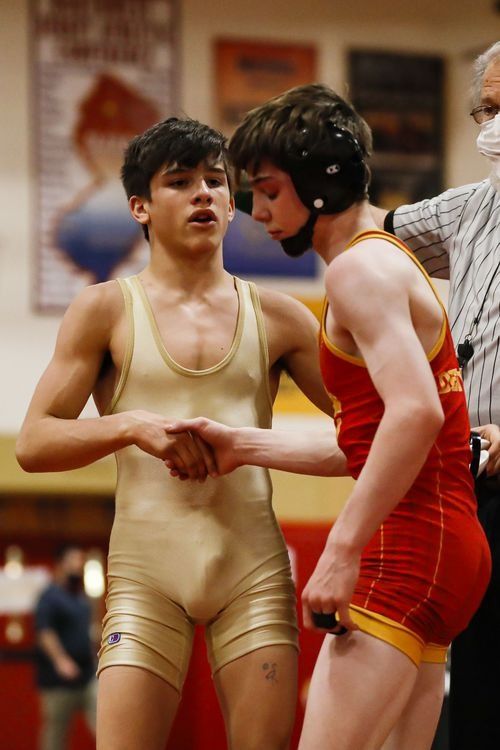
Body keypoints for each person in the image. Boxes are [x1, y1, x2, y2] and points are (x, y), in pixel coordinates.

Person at [164, 84, 492, 750]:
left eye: (268, 190)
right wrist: (244, 444)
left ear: (319, 184)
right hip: (448, 548)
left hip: (408, 546)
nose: (256, 212)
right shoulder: (388, 261)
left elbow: (414, 415)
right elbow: (376, 444)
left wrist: (340, 551)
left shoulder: (357, 273)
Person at [16, 117, 334, 750]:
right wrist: (133, 425)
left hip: (252, 570)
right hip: (144, 574)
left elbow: (372, 434)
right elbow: (32, 444)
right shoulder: (104, 309)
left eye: (217, 181)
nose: (205, 195)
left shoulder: (282, 317)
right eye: (181, 182)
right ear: (139, 205)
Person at [377, 40, 500, 750]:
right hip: (464, 481)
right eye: (485, 109)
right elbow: (370, 233)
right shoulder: (468, 209)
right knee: (470, 683)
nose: (490, 123)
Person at [34, 544, 97, 750]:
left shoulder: (81, 598)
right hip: (58, 681)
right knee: (56, 734)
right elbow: (45, 632)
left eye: (82, 560)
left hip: (87, 676)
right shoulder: (49, 597)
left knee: (104, 723)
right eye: (74, 560)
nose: (79, 565)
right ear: (61, 563)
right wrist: (61, 660)